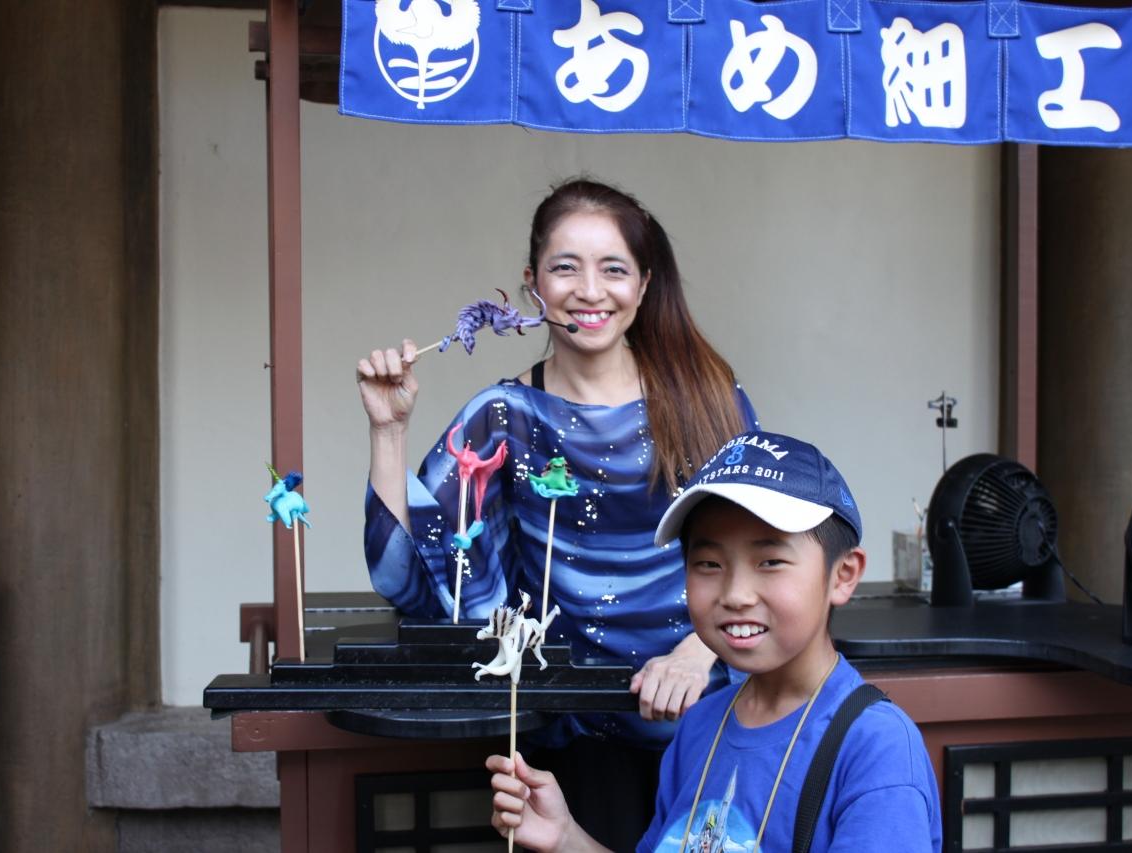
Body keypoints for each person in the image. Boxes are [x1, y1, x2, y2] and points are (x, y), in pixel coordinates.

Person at [356, 178, 759, 849]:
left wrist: (697, 652)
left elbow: (764, 557)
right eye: (566, 267)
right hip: (571, 735)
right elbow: (408, 579)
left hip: (710, 716)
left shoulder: (711, 400)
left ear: (645, 284)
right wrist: (388, 430)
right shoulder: (502, 417)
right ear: (533, 285)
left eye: (614, 269)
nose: (590, 291)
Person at [487, 431, 942, 853]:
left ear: (842, 575)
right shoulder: (701, 726)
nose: (736, 595)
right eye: (708, 564)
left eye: (769, 561)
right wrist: (566, 838)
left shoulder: (875, 748)